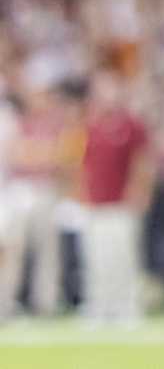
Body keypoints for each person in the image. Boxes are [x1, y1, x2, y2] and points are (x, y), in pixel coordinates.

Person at [77, 70, 152, 323]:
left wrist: (139, 192)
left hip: (122, 201)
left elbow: (143, 162)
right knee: (97, 257)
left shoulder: (131, 125)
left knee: (124, 255)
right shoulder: (90, 125)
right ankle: (99, 305)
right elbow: (80, 163)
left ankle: (127, 306)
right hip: (95, 201)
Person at [0, 69, 73, 318]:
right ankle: (6, 302)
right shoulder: (20, 121)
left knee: (48, 250)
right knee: (13, 249)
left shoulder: (56, 124)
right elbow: (16, 155)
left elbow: (59, 158)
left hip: (45, 189)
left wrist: (36, 155)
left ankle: (46, 302)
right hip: (20, 192)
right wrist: (39, 155)